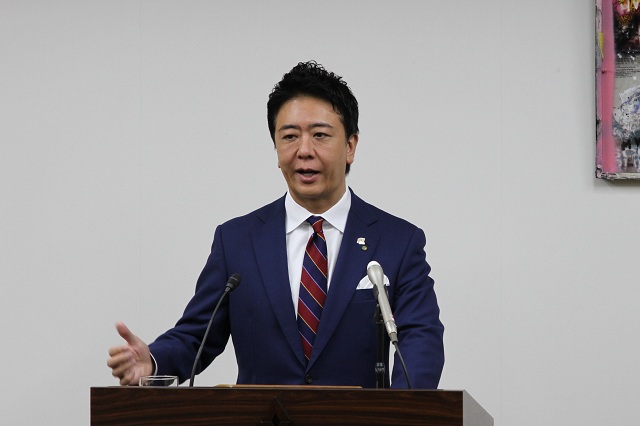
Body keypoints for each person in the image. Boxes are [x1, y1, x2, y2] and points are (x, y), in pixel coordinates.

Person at [107, 61, 444, 388]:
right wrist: (154, 361)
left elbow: (420, 339)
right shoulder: (236, 241)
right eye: (289, 136)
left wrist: (400, 409)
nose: (304, 150)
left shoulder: (397, 241)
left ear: (350, 146)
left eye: (320, 135)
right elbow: (196, 335)